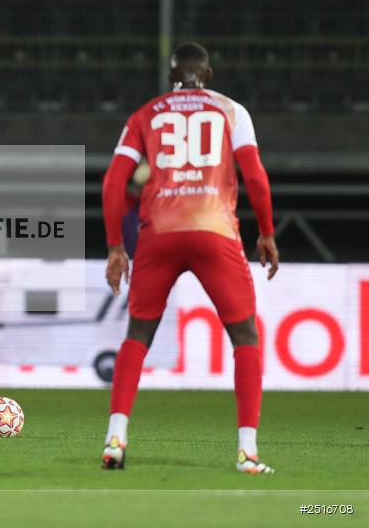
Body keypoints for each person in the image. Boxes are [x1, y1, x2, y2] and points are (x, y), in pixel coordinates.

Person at [100, 42, 279, 473]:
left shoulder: (145, 114)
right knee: (245, 339)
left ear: (171, 76)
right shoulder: (231, 111)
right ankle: (248, 452)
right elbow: (254, 174)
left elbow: (113, 182)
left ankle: (115, 439)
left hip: (159, 234)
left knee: (137, 335)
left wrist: (114, 248)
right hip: (214, 231)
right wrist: (268, 233)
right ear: (209, 75)